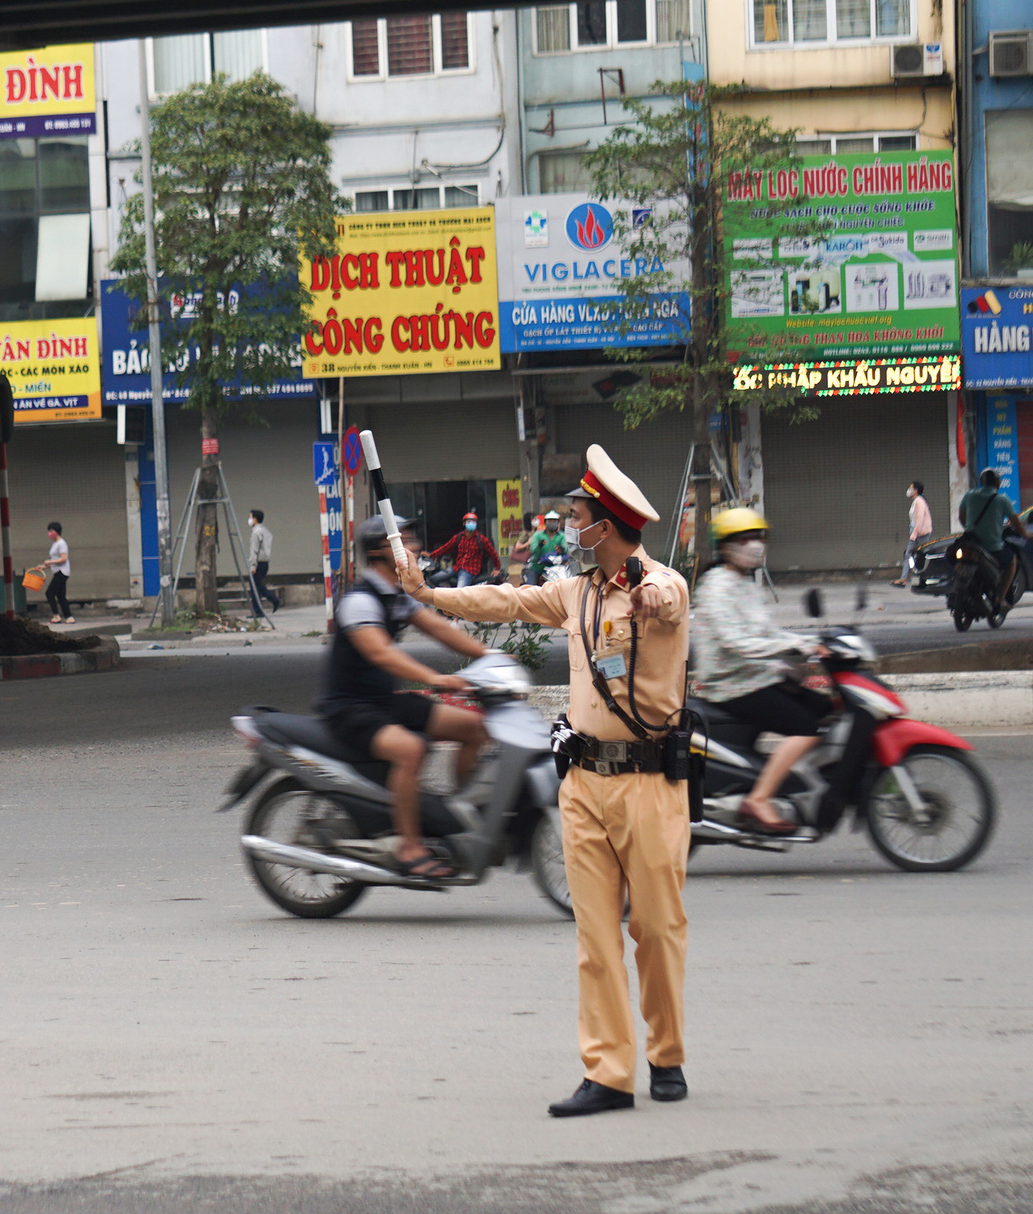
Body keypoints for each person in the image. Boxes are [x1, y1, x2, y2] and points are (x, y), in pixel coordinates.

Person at [402, 445, 691, 1118]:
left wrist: (646, 588)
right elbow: (503, 601)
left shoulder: (662, 586)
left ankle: (666, 1052)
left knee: (656, 928)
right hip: (583, 783)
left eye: (577, 516)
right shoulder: (574, 593)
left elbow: (669, 600)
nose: (567, 527)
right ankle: (609, 1074)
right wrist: (430, 593)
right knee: (595, 938)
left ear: (608, 525)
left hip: (649, 785)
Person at [319, 515, 492, 880]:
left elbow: (441, 629)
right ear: (382, 550)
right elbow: (381, 653)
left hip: (383, 702)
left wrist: (488, 658)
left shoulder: (397, 596)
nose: (412, 547)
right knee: (411, 749)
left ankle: (460, 821)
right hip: (349, 708)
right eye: (404, 540)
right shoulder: (360, 601)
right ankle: (409, 845)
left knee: (474, 726)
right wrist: (434, 678)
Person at [693, 508, 829, 833]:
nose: (754, 545)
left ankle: (802, 785)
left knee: (827, 708)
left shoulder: (744, 583)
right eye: (744, 539)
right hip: (732, 684)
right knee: (805, 727)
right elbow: (736, 641)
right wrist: (795, 649)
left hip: (757, 677)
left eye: (757, 538)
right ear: (725, 546)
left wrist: (812, 642)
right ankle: (759, 798)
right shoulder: (717, 586)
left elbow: (768, 635)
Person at [958, 469, 1028, 595]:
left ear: (981, 482)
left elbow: (962, 518)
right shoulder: (1002, 500)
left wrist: (971, 529)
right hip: (992, 547)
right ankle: (1000, 598)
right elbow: (1017, 523)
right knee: (1012, 562)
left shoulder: (969, 495)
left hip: (970, 543)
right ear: (998, 483)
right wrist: (1026, 534)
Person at [429, 512, 501, 587]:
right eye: (469, 521)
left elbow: (493, 554)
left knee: (460, 590)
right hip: (457, 568)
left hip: (470, 571)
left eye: (473, 522)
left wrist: (497, 568)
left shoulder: (481, 539)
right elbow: (445, 548)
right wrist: (431, 555)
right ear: (464, 523)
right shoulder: (459, 537)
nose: (471, 523)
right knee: (433, 579)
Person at [34, 521, 74, 624]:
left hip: (62, 572)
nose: (50, 533)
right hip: (58, 571)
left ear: (57, 532)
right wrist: (43, 566)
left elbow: (64, 559)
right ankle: (69, 617)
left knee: (49, 593)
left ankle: (56, 616)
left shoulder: (61, 544)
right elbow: (55, 560)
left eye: (52, 531)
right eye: (49, 531)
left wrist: (50, 562)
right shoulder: (55, 544)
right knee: (61, 596)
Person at [893, 481, 930, 587]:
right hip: (919, 532)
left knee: (911, 554)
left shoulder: (919, 502)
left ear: (916, 490)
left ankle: (906, 579)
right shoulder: (917, 501)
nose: (909, 490)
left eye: (911, 488)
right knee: (916, 555)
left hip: (920, 533)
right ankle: (915, 578)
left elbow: (919, 519)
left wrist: (914, 534)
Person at [248, 510, 281, 612]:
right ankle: (273, 599)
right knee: (257, 585)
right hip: (265, 562)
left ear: (255, 519)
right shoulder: (266, 531)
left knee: (255, 587)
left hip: (258, 562)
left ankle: (259, 609)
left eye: (250, 517)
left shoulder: (256, 532)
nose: (249, 520)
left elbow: (254, 550)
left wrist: (252, 565)